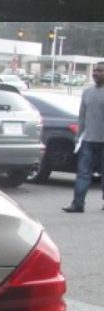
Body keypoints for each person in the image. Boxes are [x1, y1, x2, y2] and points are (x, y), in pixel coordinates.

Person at [63, 62, 104, 213]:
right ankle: (78, 204)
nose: (96, 73)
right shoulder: (87, 92)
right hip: (88, 140)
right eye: (95, 71)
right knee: (83, 173)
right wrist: (78, 136)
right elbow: (82, 117)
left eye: (100, 71)